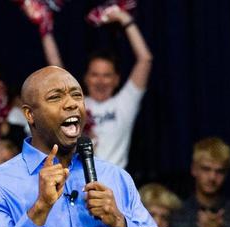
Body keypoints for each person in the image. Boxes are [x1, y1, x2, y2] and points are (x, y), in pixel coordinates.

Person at [0, 66, 170, 227]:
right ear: (30, 114)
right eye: (55, 97)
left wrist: (120, 224)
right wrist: (39, 209)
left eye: (77, 95)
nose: (71, 103)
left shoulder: (115, 177)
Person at [41, 5, 153, 168]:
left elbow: (145, 60)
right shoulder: (74, 104)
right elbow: (55, 69)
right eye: (94, 75)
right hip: (76, 182)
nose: (100, 81)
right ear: (85, 79)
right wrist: (44, 28)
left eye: (107, 75)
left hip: (113, 182)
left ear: (116, 80)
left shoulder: (124, 104)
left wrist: (124, 18)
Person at [170, 137, 230, 227]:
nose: (212, 177)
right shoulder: (176, 214)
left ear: (226, 174)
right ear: (194, 169)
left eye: (220, 171)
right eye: (206, 169)